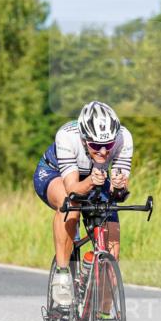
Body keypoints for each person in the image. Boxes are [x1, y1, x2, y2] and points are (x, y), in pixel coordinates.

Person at [33, 101, 133, 306]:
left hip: (97, 176)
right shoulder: (67, 136)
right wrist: (89, 182)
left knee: (112, 245)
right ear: (84, 138)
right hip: (56, 174)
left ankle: (103, 319)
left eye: (109, 145)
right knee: (70, 206)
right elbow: (72, 188)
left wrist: (119, 186)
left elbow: (119, 194)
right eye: (96, 145)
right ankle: (62, 275)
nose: (104, 152)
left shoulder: (124, 138)